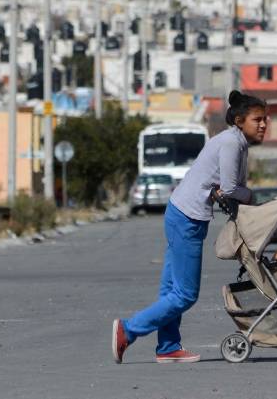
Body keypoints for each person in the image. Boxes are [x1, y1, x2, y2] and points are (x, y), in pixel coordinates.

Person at [112, 90, 267, 365]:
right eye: (258, 119)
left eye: (265, 119)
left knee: (171, 290)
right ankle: (128, 329)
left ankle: (168, 347)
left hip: (181, 212)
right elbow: (231, 188)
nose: (264, 125)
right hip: (187, 218)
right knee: (185, 294)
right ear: (240, 120)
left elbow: (220, 186)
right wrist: (251, 196)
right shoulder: (232, 143)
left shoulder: (235, 142)